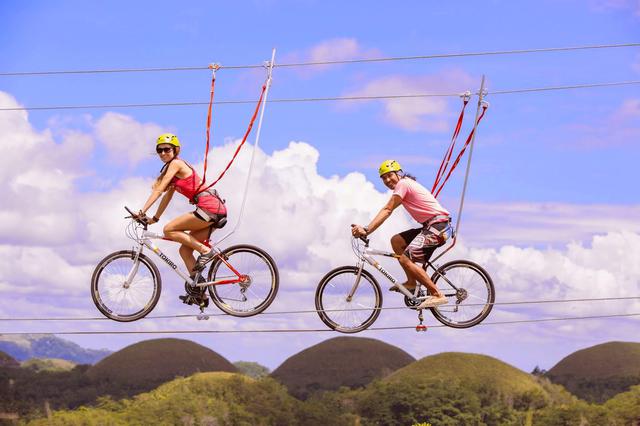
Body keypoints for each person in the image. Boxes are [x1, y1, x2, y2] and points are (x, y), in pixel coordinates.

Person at [136, 133, 227, 305]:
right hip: (213, 209)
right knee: (184, 251)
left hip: (209, 207)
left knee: (169, 230)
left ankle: (206, 251)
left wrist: (141, 211)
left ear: (175, 150)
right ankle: (199, 292)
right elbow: (166, 197)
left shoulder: (176, 164)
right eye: (159, 150)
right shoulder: (173, 171)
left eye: (166, 149)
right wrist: (154, 218)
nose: (163, 153)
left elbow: (158, 191)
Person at [351, 160, 450, 309]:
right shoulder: (404, 185)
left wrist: (367, 230)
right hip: (431, 226)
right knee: (397, 241)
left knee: (405, 259)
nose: (387, 180)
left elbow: (388, 209)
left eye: (390, 175)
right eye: (383, 178)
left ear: (399, 173)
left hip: (438, 226)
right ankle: (411, 283)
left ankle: (437, 294)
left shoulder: (403, 184)